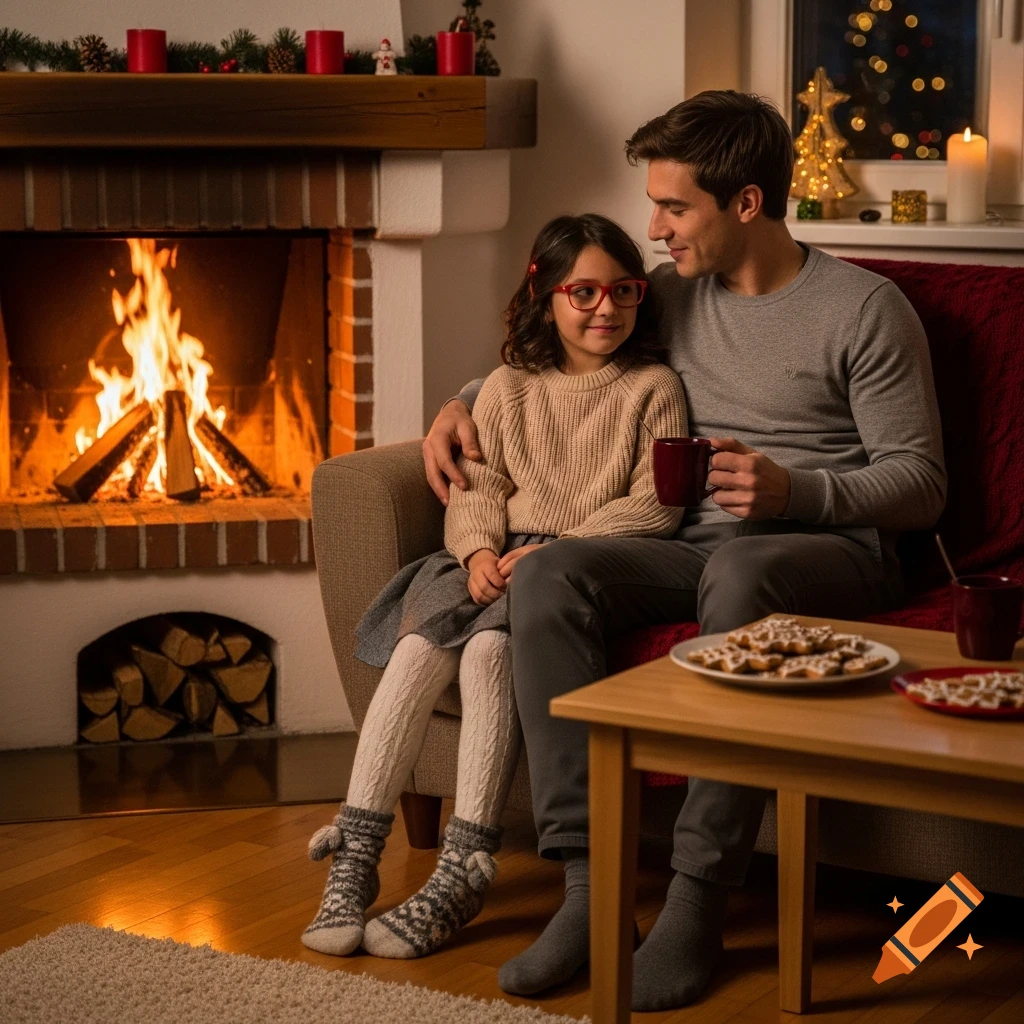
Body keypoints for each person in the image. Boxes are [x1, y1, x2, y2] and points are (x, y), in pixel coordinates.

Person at [423, 91, 946, 1010]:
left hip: (832, 549)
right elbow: (561, 352)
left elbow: (921, 482)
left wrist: (798, 491)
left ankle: (700, 895)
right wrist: (460, 401)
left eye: (674, 207)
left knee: (745, 565)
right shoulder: (669, 296)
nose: (652, 228)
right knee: (549, 571)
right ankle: (590, 890)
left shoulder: (866, 309)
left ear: (745, 203)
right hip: (685, 549)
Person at [302, 212, 689, 961]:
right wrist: (477, 550)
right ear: (545, 295)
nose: (606, 309)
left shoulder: (654, 388)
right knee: (419, 651)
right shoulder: (507, 388)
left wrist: (563, 547)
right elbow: (478, 484)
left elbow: (656, 501)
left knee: (487, 659)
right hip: (485, 559)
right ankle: (353, 855)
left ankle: (464, 865)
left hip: (570, 567)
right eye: (582, 293)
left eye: (624, 291)